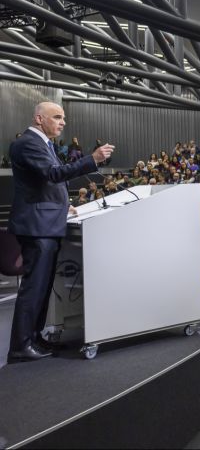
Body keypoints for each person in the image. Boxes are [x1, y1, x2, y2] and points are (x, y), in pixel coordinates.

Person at [7, 102, 115, 362]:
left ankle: (34, 337)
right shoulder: (28, 143)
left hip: (47, 222)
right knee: (34, 288)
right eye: (57, 117)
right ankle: (21, 346)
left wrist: (63, 205)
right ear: (39, 119)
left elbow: (44, 183)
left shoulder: (44, 144)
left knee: (42, 287)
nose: (62, 122)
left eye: (63, 117)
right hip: (37, 227)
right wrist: (93, 159)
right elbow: (54, 174)